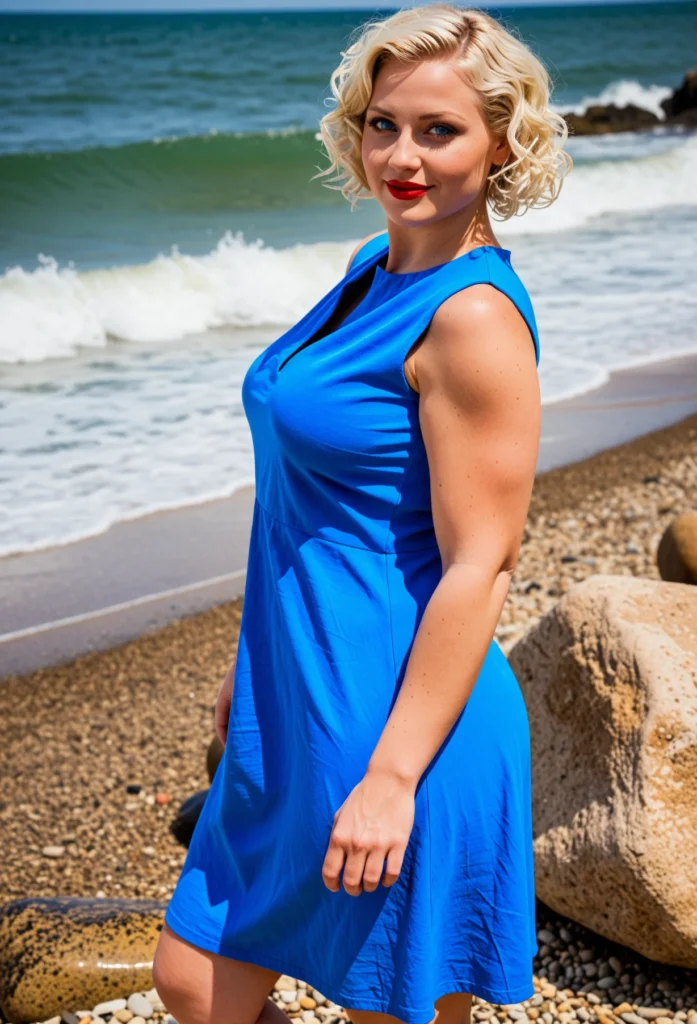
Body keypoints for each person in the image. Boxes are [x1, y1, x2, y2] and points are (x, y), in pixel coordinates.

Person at [152, 5, 572, 1024]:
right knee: (194, 977)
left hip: (398, 719)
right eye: (383, 124)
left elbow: (483, 563)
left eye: (438, 130)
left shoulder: (469, 319)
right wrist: (251, 664)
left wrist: (391, 777)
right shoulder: (370, 272)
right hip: (297, 695)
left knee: (390, 1007)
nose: (401, 155)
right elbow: (322, 508)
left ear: (503, 142)